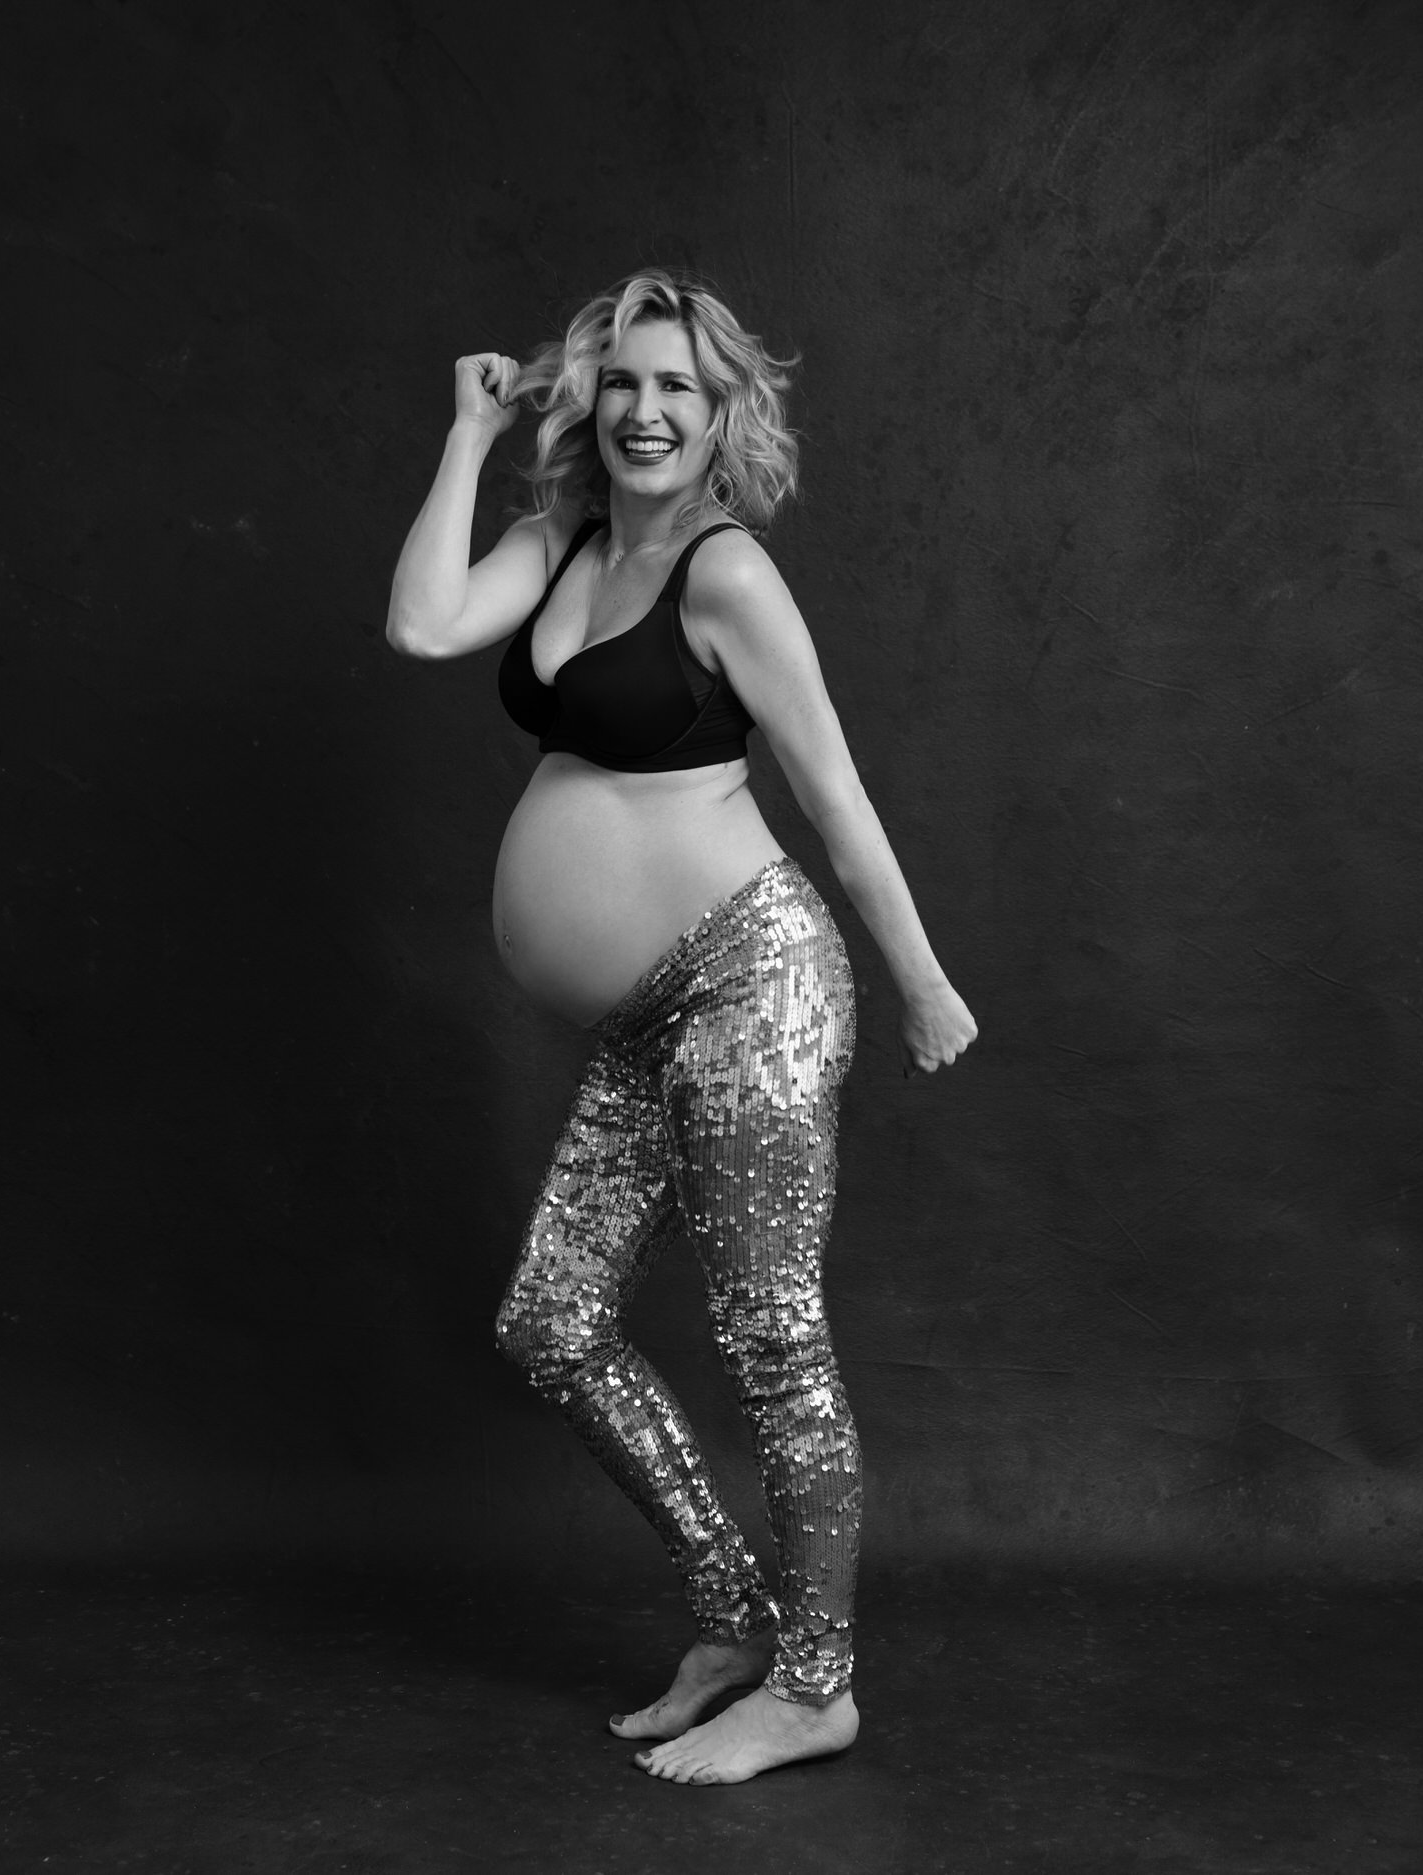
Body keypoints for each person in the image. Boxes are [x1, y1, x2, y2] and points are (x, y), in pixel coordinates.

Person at [386, 271, 976, 1785]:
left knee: (771, 1337)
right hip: (651, 1019)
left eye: (681, 390)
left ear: (723, 417)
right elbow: (421, 622)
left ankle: (818, 1684)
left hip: (751, 984)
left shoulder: (728, 577)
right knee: (552, 1323)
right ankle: (731, 1615)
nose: (647, 412)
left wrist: (918, 978)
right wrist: (464, 436)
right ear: (592, 401)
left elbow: (832, 792)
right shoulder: (559, 541)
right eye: (626, 384)